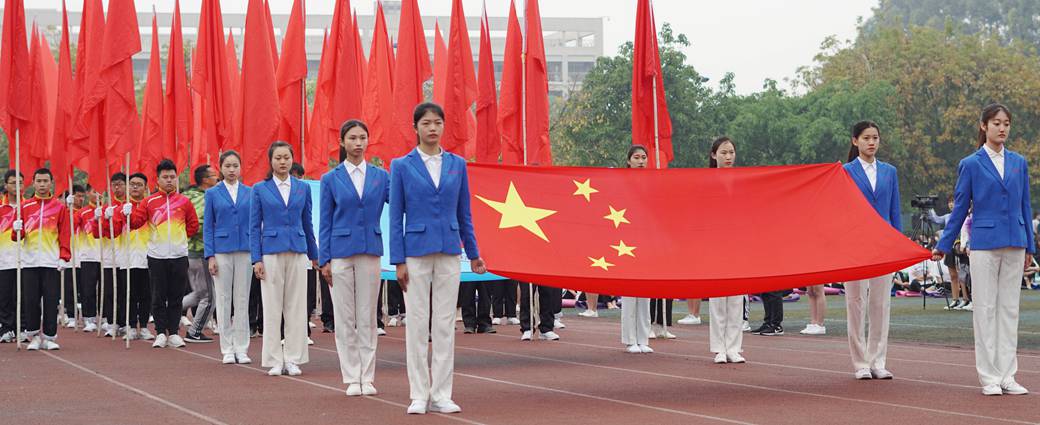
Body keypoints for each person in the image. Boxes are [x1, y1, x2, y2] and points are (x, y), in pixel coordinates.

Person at [390, 103, 486, 415]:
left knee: (444, 323)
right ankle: (419, 393)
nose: (433, 128)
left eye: (438, 123)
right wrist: (398, 260)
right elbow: (395, 216)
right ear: (415, 127)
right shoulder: (402, 165)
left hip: (448, 248)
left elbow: (465, 212)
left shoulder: (457, 164)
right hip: (415, 250)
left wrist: (473, 253)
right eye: (426, 123)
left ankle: (442, 393)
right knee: (417, 323)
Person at [932, 103, 1032, 396]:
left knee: (1009, 310)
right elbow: (961, 206)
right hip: (985, 244)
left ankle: (1008, 375)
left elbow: (1025, 204)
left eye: (1006, 123)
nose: (1002, 128)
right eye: (996, 123)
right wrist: (942, 244)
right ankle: (989, 377)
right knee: (985, 310)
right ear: (984, 126)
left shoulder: (1018, 162)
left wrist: (1030, 245)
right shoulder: (971, 163)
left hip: (1015, 240)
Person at [319, 120, 390, 396]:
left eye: (362, 138)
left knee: (367, 316)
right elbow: (324, 221)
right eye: (352, 138)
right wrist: (324, 258)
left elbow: (398, 204)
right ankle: (351, 376)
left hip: (370, 249)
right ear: (342, 142)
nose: (358, 143)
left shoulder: (381, 176)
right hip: (339, 252)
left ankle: (367, 376)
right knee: (345, 316)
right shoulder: (330, 179)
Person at [251, 142, 318, 377]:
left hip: (298, 250)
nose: (282, 162)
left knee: (296, 306)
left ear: (292, 160)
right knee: (272, 306)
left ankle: (293, 357)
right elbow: (253, 226)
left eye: (286, 157)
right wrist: (256, 258)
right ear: (271, 161)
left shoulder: (303, 188)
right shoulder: (260, 189)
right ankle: (273, 358)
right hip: (270, 251)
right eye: (278, 158)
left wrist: (314, 254)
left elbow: (308, 222)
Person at [117, 159, 199, 349]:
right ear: (158, 180)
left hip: (179, 255)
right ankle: (161, 332)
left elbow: (193, 226)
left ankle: (174, 333)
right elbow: (136, 223)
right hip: (156, 257)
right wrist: (127, 213)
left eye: (172, 177)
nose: (169, 180)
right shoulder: (149, 202)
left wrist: (177, 240)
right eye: (165, 177)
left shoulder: (184, 202)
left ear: (176, 179)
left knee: (176, 295)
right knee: (158, 295)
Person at [843, 120, 901, 380]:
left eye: (875, 137)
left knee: (880, 304)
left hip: (883, 245)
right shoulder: (845, 171)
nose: (871, 142)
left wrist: (898, 244)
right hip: (854, 245)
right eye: (866, 138)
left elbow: (894, 212)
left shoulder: (890, 172)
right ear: (855, 141)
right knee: (855, 303)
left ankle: (878, 360)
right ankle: (860, 363)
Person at [13, 169, 71, 350]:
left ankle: (49, 336)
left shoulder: (59, 207)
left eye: (46, 181)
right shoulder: (25, 207)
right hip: (30, 261)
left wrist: (63, 256)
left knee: (51, 300)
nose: (43, 184)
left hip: (50, 261)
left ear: (51, 183)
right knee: (31, 299)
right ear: (33, 183)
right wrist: (17, 229)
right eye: (39, 181)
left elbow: (64, 235)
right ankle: (33, 335)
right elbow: (17, 237)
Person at [204, 151, 254, 365]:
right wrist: (210, 256)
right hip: (222, 249)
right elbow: (207, 226)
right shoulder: (213, 194)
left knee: (242, 299)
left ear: (241, 168)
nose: (232, 170)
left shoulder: (251, 192)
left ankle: (241, 347)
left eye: (235, 166)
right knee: (224, 299)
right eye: (228, 166)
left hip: (245, 248)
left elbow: (255, 223)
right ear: (221, 168)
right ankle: (227, 347)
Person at [98, 173, 154, 340]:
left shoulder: (150, 206)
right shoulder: (120, 208)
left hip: (147, 255)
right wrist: (108, 218)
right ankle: (129, 325)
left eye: (139, 184)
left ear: (146, 187)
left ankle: (143, 326)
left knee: (146, 294)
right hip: (126, 257)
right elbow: (111, 233)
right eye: (132, 184)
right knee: (127, 293)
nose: (135, 187)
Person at [706, 137, 746, 363]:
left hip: (737, 244)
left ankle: (734, 347)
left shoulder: (742, 180)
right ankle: (719, 347)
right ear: (714, 155)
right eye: (724, 153)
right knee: (718, 298)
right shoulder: (706, 181)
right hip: (714, 245)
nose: (728, 157)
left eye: (731, 152)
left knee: (736, 298)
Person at [620, 145, 653, 354]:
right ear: (629, 161)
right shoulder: (622, 183)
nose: (641, 161)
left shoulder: (653, 184)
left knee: (646, 293)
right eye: (637, 157)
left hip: (647, 243)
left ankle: (643, 337)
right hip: (626, 244)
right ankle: (630, 339)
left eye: (643, 157)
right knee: (630, 294)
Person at [184, 164, 218, 343]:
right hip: (200, 251)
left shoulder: (190, 195)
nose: (217, 178)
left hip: (193, 251)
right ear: (205, 180)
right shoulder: (200, 199)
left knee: (198, 294)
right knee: (209, 297)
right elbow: (196, 223)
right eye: (214, 175)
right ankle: (194, 331)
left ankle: (168, 312)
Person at [0, 170, 22, 342]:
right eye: (13, 182)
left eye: (20, 182)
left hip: (25, 259)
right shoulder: (1, 208)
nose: (17, 186)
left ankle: (22, 327)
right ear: (6, 185)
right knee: (5, 296)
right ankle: (7, 328)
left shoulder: (29, 207)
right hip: (4, 258)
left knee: (24, 296)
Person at [61, 185, 85, 328]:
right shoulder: (63, 211)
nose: (81, 199)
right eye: (78, 196)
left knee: (83, 287)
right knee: (69, 287)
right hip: (68, 253)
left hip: (82, 254)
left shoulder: (85, 212)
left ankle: (88, 315)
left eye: (83, 196)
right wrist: (66, 208)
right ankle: (70, 315)